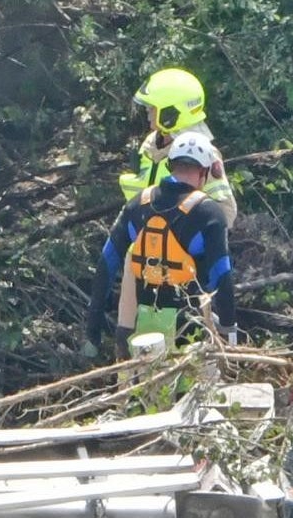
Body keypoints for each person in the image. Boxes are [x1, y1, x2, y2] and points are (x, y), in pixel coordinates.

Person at [87, 131, 236, 355]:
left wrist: (92, 330)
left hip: (136, 330)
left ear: (169, 165)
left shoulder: (138, 203)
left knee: (139, 388)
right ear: (204, 172)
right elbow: (222, 276)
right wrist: (228, 330)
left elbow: (106, 263)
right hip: (188, 331)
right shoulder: (209, 213)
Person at [118, 67, 237, 224]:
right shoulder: (151, 145)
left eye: (152, 107)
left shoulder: (202, 152)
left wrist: (184, 228)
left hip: (177, 246)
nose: (147, 111)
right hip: (144, 245)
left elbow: (226, 214)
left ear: (170, 113)